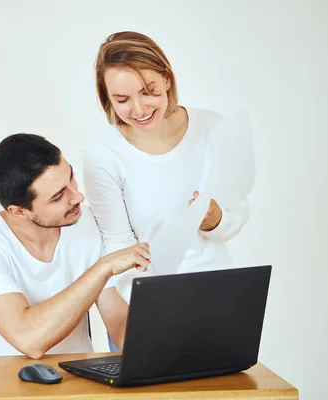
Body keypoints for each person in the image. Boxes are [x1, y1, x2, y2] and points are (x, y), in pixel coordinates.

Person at [83, 32, 250, 351]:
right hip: (151, 311)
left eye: (149, 92)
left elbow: (238, 209)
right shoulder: (102, 154)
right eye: (122, 100)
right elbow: (118, 249)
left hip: (220, 299)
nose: (139, 108)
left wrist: (215, 220)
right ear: (107, 98)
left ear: (167, 79)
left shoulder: (210, 127)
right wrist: (160, 314)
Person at [0, 133, 151, 358]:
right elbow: (29, 340)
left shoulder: (88, 223)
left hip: (76, 382)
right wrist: (103, 268)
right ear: (19, 211)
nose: (78, 197)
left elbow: (121, 327)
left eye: (71, 178)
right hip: (1, 385)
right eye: (58, 197)